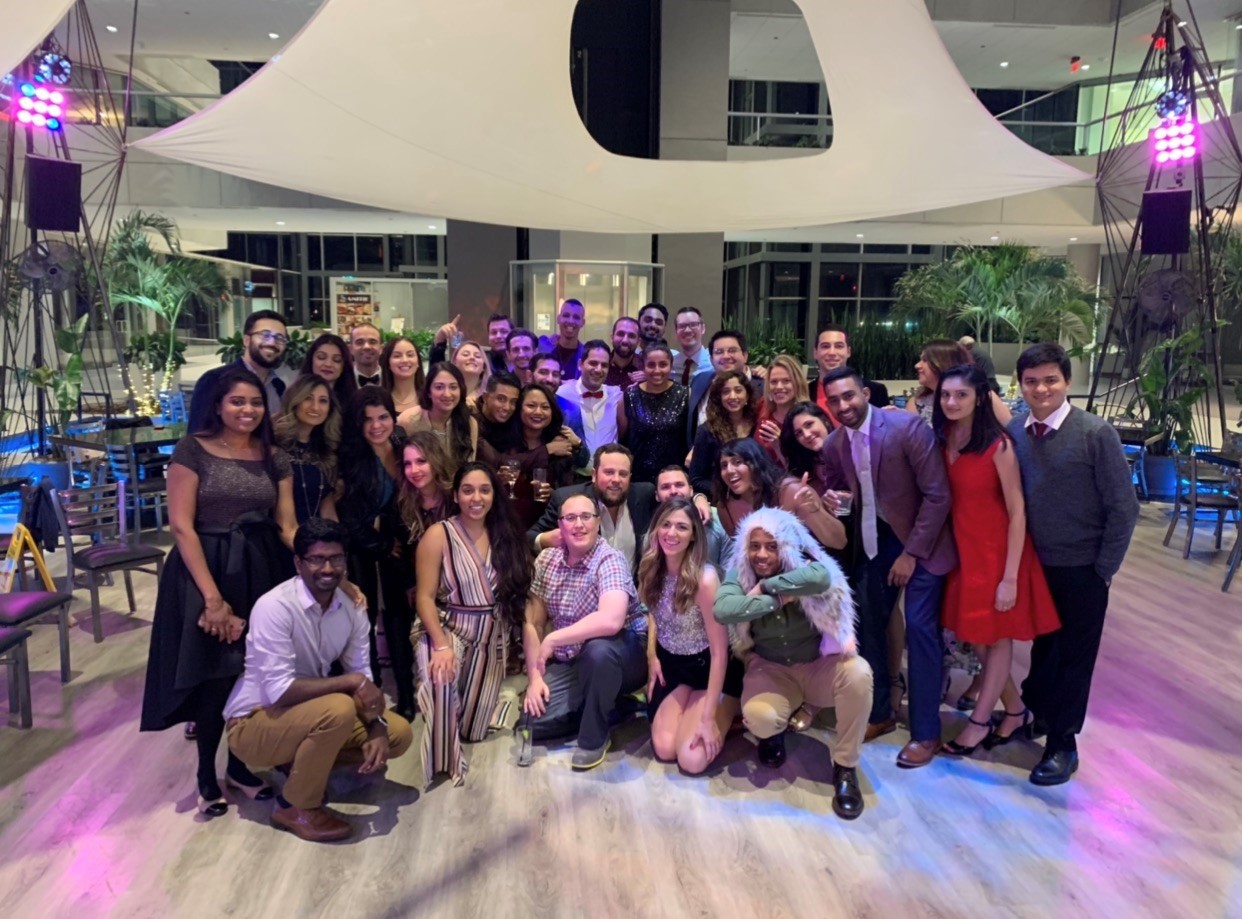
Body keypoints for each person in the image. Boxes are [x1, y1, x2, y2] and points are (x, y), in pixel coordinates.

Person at [141, 367, 298, 817]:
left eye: (255, 402)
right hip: (204, 569)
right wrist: (213, 600)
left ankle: (242, 766)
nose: (248, 410)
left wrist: (324, 563)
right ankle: (206, 772)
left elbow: (287, 525)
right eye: (237, 401)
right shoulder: (192, 450)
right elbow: (181, 527)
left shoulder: (274, 456)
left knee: (252, 671)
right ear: (217, 405)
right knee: (214, 673)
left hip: (260, 565)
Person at [223, 518, 414, 842]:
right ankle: (294, 806)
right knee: (338, 708)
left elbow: (363, 676)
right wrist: (351, 682)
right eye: (316, 559)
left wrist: (377, 723)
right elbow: (279, 691)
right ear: (298, 563)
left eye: (335, 558)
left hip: (306, 713)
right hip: (253, 721)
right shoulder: (274, 606)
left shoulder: (351, 607)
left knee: (398, 735)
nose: (327, 568)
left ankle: (300, 765)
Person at [1007, 343, 1138, 785]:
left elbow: (1124, 508)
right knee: (1043, 650)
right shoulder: (1014, 431)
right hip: (1033, 565)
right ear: (1020, 385)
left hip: (1082, 568)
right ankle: (1039, 717)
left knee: (1073, 658)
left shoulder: (1095, 434)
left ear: (1067, 382)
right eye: (1031, 381)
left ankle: (1063, 743)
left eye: (1051, 380)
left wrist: (1103, 569)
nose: (1041, 389)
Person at [819, 367, 957, 769]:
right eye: (834, 400)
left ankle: (926, 733)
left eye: (849, 396)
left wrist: (911, 554)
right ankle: (880, 713)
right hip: (873, 542)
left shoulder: (906, 427)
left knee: (920, 629)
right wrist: (830, 501)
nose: (843, 405)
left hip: (923, 542)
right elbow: (842, 495)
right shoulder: (834, 444)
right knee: (865, 624)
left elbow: (938, 495)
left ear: (865, 393)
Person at [932, 364, 1060, 757]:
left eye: (961, 395)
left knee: (995, 639)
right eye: (946, 394)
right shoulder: (944, 437)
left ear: (979, 398)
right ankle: (1016, 710)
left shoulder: (998, 445)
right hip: (964, 553)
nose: (952, 401)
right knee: (977, 639)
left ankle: (979, 722)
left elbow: (1017, 512)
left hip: (997, 555)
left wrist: (1010, 578)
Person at [713, 507, 871, 820]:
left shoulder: (803, 566)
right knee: (760, 717)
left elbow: (821, 576)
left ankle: (845, 767)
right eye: (754, 546)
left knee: (859, 674)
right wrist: (775, 600)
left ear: (785, 547)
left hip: (817, 667)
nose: (761, 555)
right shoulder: (740, 572)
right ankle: (772, 735)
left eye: (771, 546)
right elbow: (724, 609)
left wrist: (768, 586)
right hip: (770, 670)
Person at [412, 463, 533, 785]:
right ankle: (444, 762)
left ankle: (492, 701)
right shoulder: (439, 534)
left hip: (491, 634)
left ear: (494, 495)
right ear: (455, 495)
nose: (476, 498)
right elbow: (424, 598)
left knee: (474, 731)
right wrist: (440, 646)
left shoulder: (505, 534)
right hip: (449, 625)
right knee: (441, 678)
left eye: (484, 490)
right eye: (467, 490)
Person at [522, 492, 648, 770]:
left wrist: (554, 638)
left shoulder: (610, 559)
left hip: (624, 654)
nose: (578, 524)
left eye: (586, 517)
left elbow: (611, 620)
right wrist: (534, 677)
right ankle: (613, 705)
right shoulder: (547, 560)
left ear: (597, 522)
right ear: (560, 525)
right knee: (530, 722)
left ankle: (594, 738)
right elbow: (533, 623)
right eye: (570, 518)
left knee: (598, 649)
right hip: (574, 659)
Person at [638, 498, 742, 774]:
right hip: (671, 666)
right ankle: (694, 712)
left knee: (691, 760)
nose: (671, 533)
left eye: (682, 527)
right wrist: (652, 657)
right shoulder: (650, 568)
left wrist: (707, 720)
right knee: (664, 748)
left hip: (708, 668)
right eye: (666, 525)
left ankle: (728, 705)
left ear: (694, 534)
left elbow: (720, 652)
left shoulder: (704, 579)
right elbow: (655, 615)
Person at [337, 387, 416, 720]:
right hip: (361, 550)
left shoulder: (401, 444)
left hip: (399, 545)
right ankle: (370, 691)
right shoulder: (349, 458)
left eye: (383, 417)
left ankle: (407, 694)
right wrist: (381, 543)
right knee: (363, 622)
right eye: (367, 419)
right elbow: (347, 516)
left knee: (399, 618)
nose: (376, 426)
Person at [529, 444, 657, 570]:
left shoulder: (644, 495)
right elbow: (529, 538)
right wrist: (546, 539)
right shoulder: (567, 499)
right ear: (594, 475)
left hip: (633, 582)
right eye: (609, 472)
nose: (616, 479)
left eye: (623, 474)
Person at [714, 438, 845, 554]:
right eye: (724, 465)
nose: (729, 470)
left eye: (737, 462)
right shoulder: (725, 507)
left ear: (756, 463)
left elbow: (839, 542)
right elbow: (744, 554)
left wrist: (815, 510)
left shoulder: (791, 492)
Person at [188, 310, 288, 433]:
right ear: (246, 340)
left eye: (280, 338)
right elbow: (197, 434)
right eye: (265, 335)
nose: (272, 342)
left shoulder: (278, 386)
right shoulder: (215, 379)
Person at [500, 383, 577, 530]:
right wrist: (547, 450)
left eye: (545, 407)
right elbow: (506, 463)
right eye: (531, 406)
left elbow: (569, 495)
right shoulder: (504, 439)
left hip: (548, 528)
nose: (538, 412)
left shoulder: (560, 444)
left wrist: (553, 495)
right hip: (507, 525)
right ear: (519, 408)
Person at [618, 343, 690, 484]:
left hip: (673, 478)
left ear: (671, 365)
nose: (657, 370)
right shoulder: (629, 396)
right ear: (643, 367)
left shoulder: (685, 394)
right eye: (651, 365)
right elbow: (622, 439)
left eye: (663, 364)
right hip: (638, 478)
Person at [273, 374, 340, 523]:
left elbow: (327, 509)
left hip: (318, 534)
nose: (315, 407)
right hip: (277, 533)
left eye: (323, 401)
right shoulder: (274, 442)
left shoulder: (325, 449)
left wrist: (338, 536)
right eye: (308, 398)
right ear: (294, 401)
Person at [400, 362, 479, 476]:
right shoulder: (407, 421)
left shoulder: (469, 423)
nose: (447, 394)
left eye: (453, 387)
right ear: (428, 392)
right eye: (439, 387)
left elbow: (469, 470)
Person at [909, 339, 1010, 427]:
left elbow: (1012, 431)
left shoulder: (984, 397)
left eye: (925, 360)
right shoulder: (917, 403)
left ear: (943, 363)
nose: (917, 365)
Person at [557, 340, 623, 474]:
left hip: (609, 476)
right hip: (574, 476)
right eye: (593, 363)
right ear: (580, 364)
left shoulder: (616, 395)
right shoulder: (562, 394)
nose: (598, 369)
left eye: (604, 365)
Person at [688, 370, 757, 496]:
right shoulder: (707, 431)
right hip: (720, 499)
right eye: (726, 392)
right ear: (719, 397)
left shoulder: (758, 424)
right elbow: (696, 479)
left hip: (756, 496)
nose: (732, 396)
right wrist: (730, 492)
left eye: (738, 390)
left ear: (747, 395)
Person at [687, 330, 763, 442]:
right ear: (711, 359)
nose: (726, 356)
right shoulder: (700, 380)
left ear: (745, 356)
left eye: (732, 350)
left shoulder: (764, 387)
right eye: (719, 352)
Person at [649, 465, 729, 569]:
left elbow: (731, 567)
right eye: (665, 487)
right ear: (657, 495)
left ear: (691, 490)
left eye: (679, 485)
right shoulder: (653, 528)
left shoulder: (718, 518)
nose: (673, 491)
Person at [808, 326, 890, 416]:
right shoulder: (804, 392)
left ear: (848, 352)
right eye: (825, 346)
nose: (832, 352)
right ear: (815, 353)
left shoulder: (876, 391)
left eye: (839, 346)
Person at [395, 431, 454, 550]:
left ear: (437, 460)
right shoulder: (400, 500)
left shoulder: (455, 498)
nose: (414, 470)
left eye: (421, 461)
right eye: (407, 464)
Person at [531, 353, 588, 469]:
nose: (550, 379)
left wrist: (578, 444)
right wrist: (548, 450)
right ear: (529, 375)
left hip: (558, 477)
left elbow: (583, 461)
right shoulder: (518, 405)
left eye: (555, 374)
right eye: (543, 372)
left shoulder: (571, 410)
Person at [755, 354, 810, 468]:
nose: (779, 387)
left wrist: (779, 445)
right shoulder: (761, 407)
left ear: (798, 383)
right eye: (774, 382)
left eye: (786, 381)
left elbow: (803, 470)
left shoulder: (808, 418)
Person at [780, 402, 835, 497]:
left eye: (809, 424)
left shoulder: (848, 446)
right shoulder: (806, 469)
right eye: (799, 433)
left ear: (824, 420)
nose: (806, 435)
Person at [300, 332, 357, 406]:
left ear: (344, 366)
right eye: (321, 357)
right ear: (311, 360)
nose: (328, 364)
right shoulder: (295, 396)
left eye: (336, 360)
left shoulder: (354, 402)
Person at [537, 298, 586, 381]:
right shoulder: (543, 351)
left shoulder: (585, 356)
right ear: (558, 319)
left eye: (576, 317)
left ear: (582, 322)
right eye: (566, 315)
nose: (570, 321)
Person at [474, 371, 522, 455]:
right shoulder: (471, 419)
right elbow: (498, 460)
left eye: (513, 401)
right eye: (501, 399)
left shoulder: (516, 420)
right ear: (485, 397)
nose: (507, 407)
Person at [380, 335, 425, 418]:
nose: (405, 360)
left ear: (418, 362)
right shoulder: (379, 399)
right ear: (388, 363)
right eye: (397, 356)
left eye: (410, 355)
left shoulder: (430, 397)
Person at [671, 307, 712, 386]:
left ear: (703, 328)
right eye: (682, 326)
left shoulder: (714, 364)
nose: (687, 330)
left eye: (693, 325)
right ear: (676, 331)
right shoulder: (670, 365)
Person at [605, 316, 644, 388]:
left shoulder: (646, 368)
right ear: (612, 338)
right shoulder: (600, 365)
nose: (625, 340)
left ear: (638, 342)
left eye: (631, 336)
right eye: (620, 334)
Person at [451, 340, 491, 407]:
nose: (472, 357)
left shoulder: (490, 396)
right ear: (454, 362)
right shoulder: (446, 393)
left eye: (477, 356)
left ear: (484, 367)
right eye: (465, 354)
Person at [348, 322, 384, 387]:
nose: (366, 347)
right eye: (359, 342)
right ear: (351, 349)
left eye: (372, 342)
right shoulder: (341, 381)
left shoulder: (393, 379)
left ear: (381, 349)